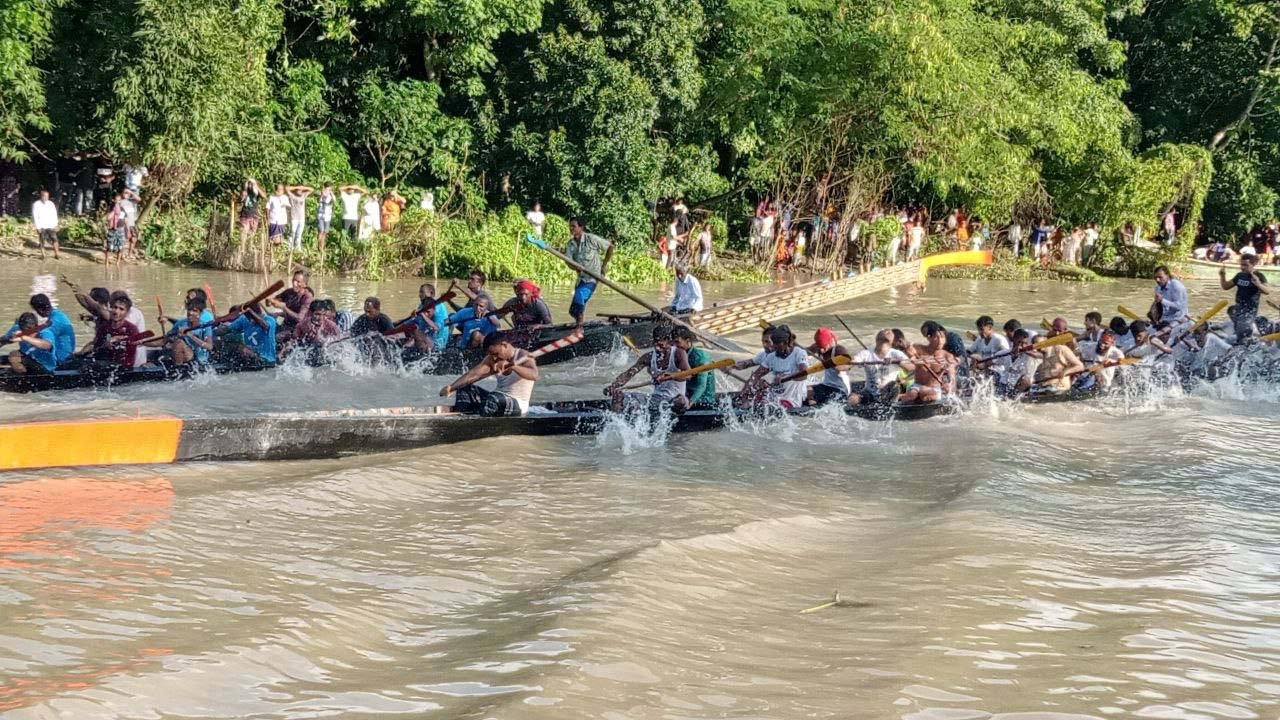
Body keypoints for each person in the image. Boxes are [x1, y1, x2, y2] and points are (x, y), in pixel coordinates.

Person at [440, 332, 539, 416]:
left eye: (496, 354)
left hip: (518, 404)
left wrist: (513, 366)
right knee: (463, 389)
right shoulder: (492, 359)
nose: (494, 358)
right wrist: (452, 387)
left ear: (504, 345)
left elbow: (534, 375)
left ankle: (482, 417)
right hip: (497, 398)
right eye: (491, 355)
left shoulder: (523, 355)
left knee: (493, 399)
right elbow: (475, 374)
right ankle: (464, 418)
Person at [605, 325, 692, 412]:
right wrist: (614, 386)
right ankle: (618, 418)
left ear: (669, 340)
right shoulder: (648, 357)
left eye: (661, 344)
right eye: (656, 343)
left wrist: (670, 376)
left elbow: (688, 375)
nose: (657, 348)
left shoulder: (679, 353)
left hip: (675, 399)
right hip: (656, 398)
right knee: (619, 397)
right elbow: (628, 374)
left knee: (680, 401)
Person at [739, 325, 811, 409]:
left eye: (777, 345)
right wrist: (743, 395)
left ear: (786, 342)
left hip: (792, 399)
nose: (773, 347)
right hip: (775, 396)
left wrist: (787, 377)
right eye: (773, 344)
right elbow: (756, 376)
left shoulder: (799, 353)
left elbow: (804, 374)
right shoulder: (771, 357)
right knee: (755, 393)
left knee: (766, 407)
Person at [565, 217, 614, 328]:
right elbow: (568, 262)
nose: (571, 228)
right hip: (581, 279)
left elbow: (610, 246)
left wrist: (604, 265)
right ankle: (579, 324)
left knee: (579, 295)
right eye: (570, 226)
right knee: (574, 309)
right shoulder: (570, 244)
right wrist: (575, 267)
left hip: (592, 278)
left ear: (581, 227)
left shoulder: (591, 239)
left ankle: (579, 327)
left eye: (573, 226)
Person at [897, 321, 958, 404]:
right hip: (917, 386)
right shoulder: (918, 348)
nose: (940, 341)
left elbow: (952, 377)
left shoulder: (947, 356)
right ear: (929, 338)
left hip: (934, 388)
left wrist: (950, 386)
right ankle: (897, 398)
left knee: (926, 394)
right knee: (912, 394)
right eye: (936, 337)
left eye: (942, 337)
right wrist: (908, 350)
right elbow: (906, 350)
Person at [849, 329, 911, 405]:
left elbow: (912, 368)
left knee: (894, 385)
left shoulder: (896, 354)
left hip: (888, 393)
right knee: (853, 398)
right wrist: (848, 364)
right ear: (877, 338)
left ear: (892, 341)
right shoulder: (866, 353)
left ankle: (887, 406)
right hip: (869, 393)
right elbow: (853, 361)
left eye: (890, 332)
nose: (888, 331)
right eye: (884, 331)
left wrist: (897, 362)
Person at [151, 298, 214, 366]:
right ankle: (177, 366)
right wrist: (144, 342)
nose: (190, 313)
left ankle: (178, 369)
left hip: (199, 359)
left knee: (179, 343)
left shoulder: (205, 326)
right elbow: (165, 339)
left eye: (194, 311)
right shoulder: (181, 323)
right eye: (189, 310)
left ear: (200, 313)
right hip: (185, 353)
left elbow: (209, 347)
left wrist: (191, 336)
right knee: (176, 342)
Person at [1220, 254, 1269, 338]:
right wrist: (1222, 275)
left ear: (1253, 264)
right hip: (1238, 307)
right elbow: (1225, 286)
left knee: (1242, 332)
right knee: (1231, 310)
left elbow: (1267, 291)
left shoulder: (1259, 276)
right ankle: (1246, 329)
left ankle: (1248, 333)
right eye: (1241, 264)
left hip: (1250, 311)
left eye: (1246, 265)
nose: (1242, 267)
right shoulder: (1240, 275)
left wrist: (1258, 284)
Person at [804, 327, 854, 405]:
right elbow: (803, 352)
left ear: (830, 342)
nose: (821, 350)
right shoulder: (817, 347)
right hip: (826, 385)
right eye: (819, 347)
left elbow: (849, 364)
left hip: (840, 389)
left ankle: (815, 403)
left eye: (823, 347)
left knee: (825, 402)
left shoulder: (839, 350)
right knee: (806, 390)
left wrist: (840, 367)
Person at [219, 302, 277, 367]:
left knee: (242, 348)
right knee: (226, 343)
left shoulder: (270, 320)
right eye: (247, 316)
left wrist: (251, 312)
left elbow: (265, 326)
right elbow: (226, 330)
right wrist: (218, 324)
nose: (249, 319)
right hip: (250, 354)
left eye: (249, 316)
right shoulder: (244, 319)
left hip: (266, 359)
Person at [671, 326, 716, 408]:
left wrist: (689, 404)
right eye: (672, 343)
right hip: (686, 396)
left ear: (688, 341)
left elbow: (701, 386)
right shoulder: (676, 355)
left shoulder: (701, 357)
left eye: (677, 342)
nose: (674, 346)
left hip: (704, 401)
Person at [268, 270, 314, 340]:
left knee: (275, 338)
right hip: (285, 326)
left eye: (298, 282)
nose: (294, 284)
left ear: (305, 284)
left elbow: (300, 318)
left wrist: (284, 308)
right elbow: (273, 301)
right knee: (266, 326)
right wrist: (270, 301)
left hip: (298, 330)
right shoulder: (289, 292)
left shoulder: (307, 297)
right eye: (293, 280)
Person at [406, 283, 452, 353]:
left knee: (415, 331)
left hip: (438, 343)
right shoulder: (423, 305)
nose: (419, 295)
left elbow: (436, 328)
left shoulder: (437, 307)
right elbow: (414, 321)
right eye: (419, 292)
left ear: (431, 293)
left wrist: (421, 314)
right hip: (428, 337)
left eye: (422, 292)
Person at [32, 189, 59, 259]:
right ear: (41, 196)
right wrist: (38, 227)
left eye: (47, 196)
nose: (46, 198)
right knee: (42, 240)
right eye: (44, 196)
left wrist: (56, 224)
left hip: (51, 225)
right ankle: (43, 255)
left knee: (55, 239)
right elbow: (35, 216)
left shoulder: (51, 204)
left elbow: (55, 214)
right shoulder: (36, 204)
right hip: (41, 225)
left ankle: (57, 254)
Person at [286, 185, 313, 251]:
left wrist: (303, 187)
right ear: (296, 190)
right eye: (299, 190)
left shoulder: (304, 195)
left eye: (301, 190)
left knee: (299, 234)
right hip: (294, 218)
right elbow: (286, 188)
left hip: (302, 218)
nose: (300, 191)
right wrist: (297, 187)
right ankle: (290, 247)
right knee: (292, 233)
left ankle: (298, 248)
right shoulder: (292, 195)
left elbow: (312, 189)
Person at [315, 183, 335, 257]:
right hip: (321, 215)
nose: (329, 190)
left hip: (328, 216)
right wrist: (322, 194)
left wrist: (331, 193)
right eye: (328, 188)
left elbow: (335, 201)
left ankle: (322, 246)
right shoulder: (321, 193)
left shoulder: (331, 195)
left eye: (330, 188)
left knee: (325, 232)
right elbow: (318, 200)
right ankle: (319, 247)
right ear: (325, 187)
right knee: (321, 231)